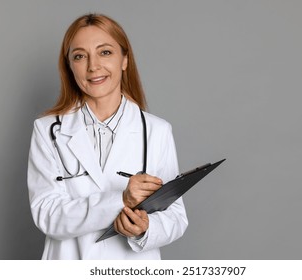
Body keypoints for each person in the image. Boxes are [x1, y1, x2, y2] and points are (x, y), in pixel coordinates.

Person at [27, 13, 188, 260]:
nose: (93, 66)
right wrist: (121, 200)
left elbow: (175, 217)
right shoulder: (48, 130)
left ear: (125, 59)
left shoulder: (156, 130)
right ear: (70, 67)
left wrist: (145, 229)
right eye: (80, 56)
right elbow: (47, 216)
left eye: (105, 52)